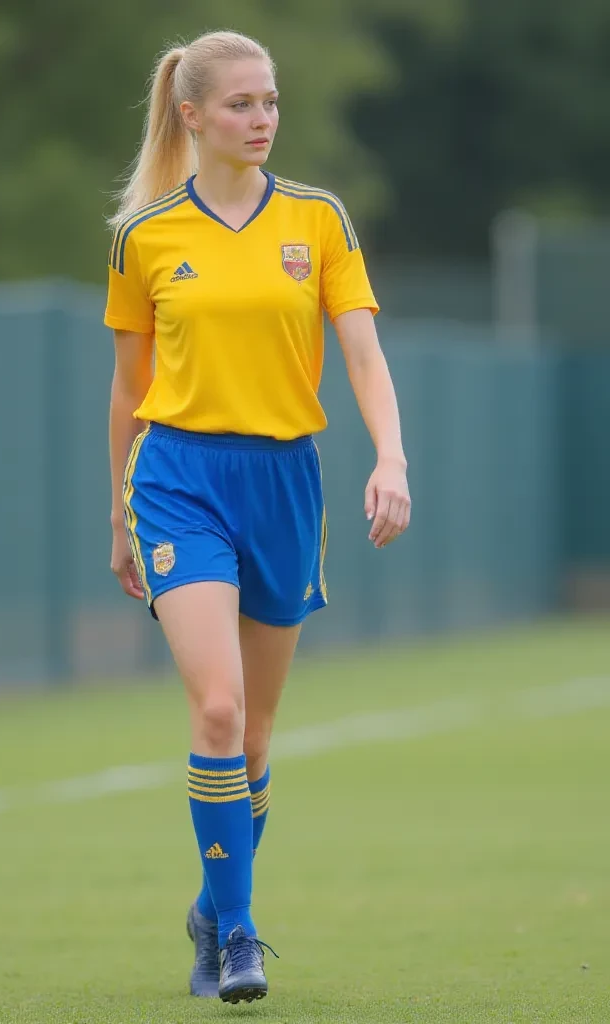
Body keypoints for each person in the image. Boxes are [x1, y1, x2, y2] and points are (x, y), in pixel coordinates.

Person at [105, 29, 411, 1005]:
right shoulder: (145, 237)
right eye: (241, 103)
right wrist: (118, 518)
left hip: (283, 482)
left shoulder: (319, 220)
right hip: (178, 480)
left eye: (270, 100)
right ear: (192, 115)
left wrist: (392, 456)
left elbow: (361, 352)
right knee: (218, 709)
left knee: (256, 741)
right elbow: (129, 389)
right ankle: (237, 937)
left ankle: (211, 904)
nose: (262, 117)